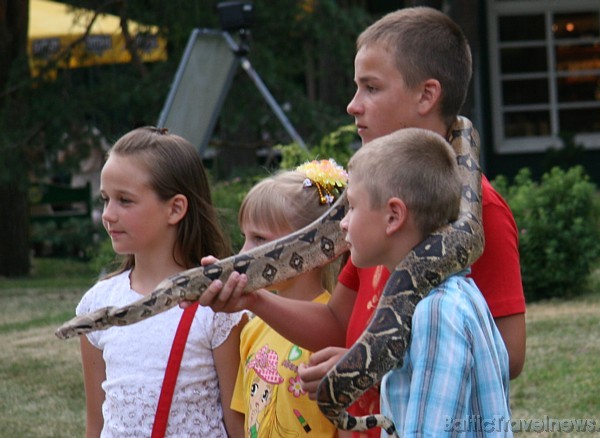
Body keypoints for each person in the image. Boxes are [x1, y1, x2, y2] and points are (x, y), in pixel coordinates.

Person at [196, 7, 525, 436]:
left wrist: (362, 363)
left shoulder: (473, 212)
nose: (353, 105)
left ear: (426, 96)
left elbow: (508, 354)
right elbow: (339, 322)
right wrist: (254, 300)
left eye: (371, 88)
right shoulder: (371, 218)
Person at [339, 127, 512, 436]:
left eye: (351, 207)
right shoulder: (459, 294)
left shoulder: (436, 313)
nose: (342, 222)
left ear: (393, 216)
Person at [76, 127, 246, 437]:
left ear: (176, 208)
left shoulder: (217, 304)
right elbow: (95, 423)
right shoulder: (98, 304)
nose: (108, 215)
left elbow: (239, 425)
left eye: (125, 201)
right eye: (105, 200)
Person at [230, 160, 345, 437]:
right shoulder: (252, 329)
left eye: (259, 239)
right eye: (245, 237)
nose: (243, 253)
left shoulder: (331, 334)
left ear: (317, 250)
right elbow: (245, 418)